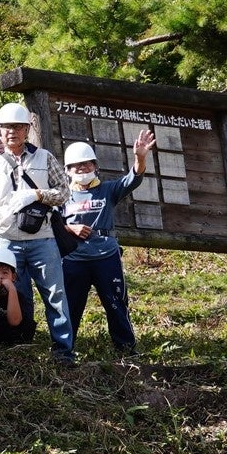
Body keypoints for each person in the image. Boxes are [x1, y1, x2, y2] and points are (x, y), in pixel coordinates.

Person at [0, 102, 77, 365]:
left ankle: (64, 351)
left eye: (18, 127)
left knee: (55, 295)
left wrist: (38, 194)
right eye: (6, 127)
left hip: (43, 238)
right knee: (16, 296)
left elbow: (64, 192)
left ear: (27, 130)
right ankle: (20, 345)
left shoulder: (45, 157)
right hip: (6, 240)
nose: (12, 132)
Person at [59, 132, 154, 356]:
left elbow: (133, 178)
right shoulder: (62, 195)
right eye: (76, 166)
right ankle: (64, 352)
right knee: (70, 307)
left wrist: (140, 158)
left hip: (106, 256)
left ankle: (126, 350)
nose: (82, 169)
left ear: (95, 165)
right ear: (68, 170)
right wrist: (70, 228)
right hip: (74, 259)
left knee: (116, 303)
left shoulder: (108, 189)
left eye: (86, 164)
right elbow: (52, 224)